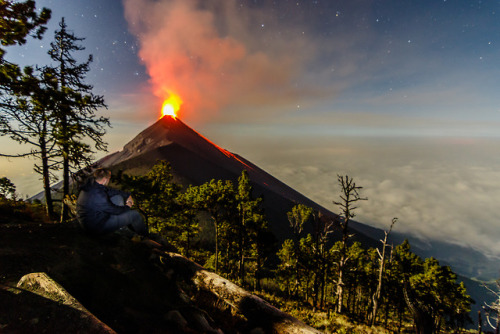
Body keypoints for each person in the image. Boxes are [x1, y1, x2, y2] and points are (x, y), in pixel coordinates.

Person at [76, 168, 147, 236]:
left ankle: (120, 226)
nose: (109, 180)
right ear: (104, 179)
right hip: (96, 227)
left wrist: (128, 195)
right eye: (109, 178)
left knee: (118, 197)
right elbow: (115, 210)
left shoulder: (92, 184)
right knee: (134, 215)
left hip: (92, 218)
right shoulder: (98, 195)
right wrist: (127, 206)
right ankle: (143, 236)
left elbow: (110, 191)